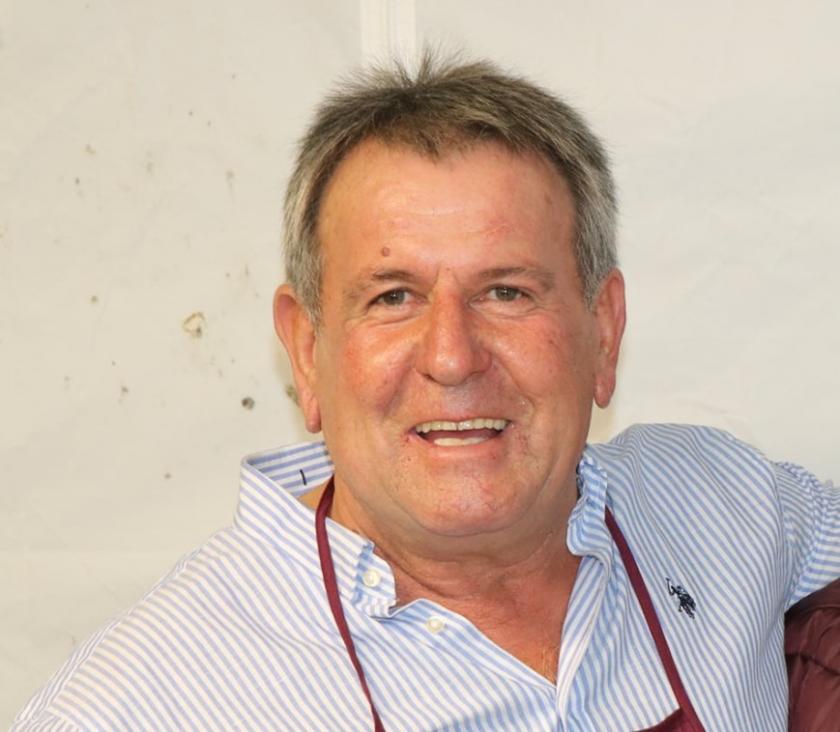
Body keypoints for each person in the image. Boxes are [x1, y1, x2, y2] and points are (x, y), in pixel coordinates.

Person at [13, 54, 840, 732]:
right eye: (393, 298)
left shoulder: (723, 504)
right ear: (306, 351)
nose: (452, 356)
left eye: (507, 291)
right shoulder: (139, 707)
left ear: (603, 329)